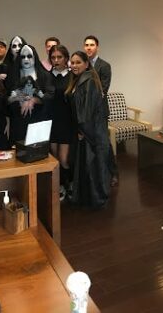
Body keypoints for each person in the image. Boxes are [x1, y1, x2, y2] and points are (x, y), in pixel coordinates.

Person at [66, 50, 111, 209]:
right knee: (86, 167)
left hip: (91, 132)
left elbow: (87, 112)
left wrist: (82, 131)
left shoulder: (89, 81)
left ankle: (96, 200)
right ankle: (84, 198)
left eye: (78, 62)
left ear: (86, 64)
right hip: (85, 131)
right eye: (72, 62)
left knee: (93, 167)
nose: (74, 65)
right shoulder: (79, 80)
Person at [83, 35, 118, 185]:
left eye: (92, 45)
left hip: (99, 112)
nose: (89, 47)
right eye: (86, 45)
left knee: (104, 144)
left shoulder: (104, 66)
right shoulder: (82, 65)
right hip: (85, 113)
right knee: (90, 143)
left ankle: (113, 173)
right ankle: (96, 174)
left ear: (97, 47)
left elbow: (102, 90)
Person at [6, 44, 54, 143]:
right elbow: (4, 98)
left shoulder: (45, 75)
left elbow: (50, 96)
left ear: (34, 57)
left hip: (39, 121)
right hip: (18, 122)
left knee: (38, 149)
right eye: (23, 57)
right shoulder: (13, 75)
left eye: (29, 56)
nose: (26, 59)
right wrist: (19, 98)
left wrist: (34, 100)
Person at [49, 45, 74, 197]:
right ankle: (59, 187)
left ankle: (69, 183)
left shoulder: (72, 76)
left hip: (66, 121)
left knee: (64, 159)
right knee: (54, 158)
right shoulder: (47, 76)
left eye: (59, 57)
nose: (56, 60)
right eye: (53, 57)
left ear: (66, 58)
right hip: (50, 122)